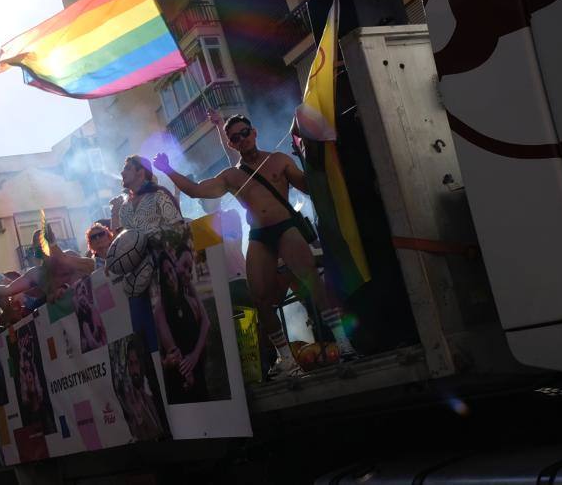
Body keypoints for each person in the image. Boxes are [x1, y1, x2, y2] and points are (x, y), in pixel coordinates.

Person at [154, 114, 356, 378]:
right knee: (259, 297)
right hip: (260, 235)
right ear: (231, 144)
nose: (242, 139)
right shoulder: (231, 176)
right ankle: (286, 359)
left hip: (286, 228)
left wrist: (313, 158)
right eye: (235, 137)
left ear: (254, 132)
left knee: (313, 283)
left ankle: (344, 343)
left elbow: (308, 186)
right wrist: (167, 169)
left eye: (245, 132)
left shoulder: (279, 160)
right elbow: (195, 190)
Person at [0, 227, 94, 306]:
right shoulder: (36, 274)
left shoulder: (68, 256)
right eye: (37, 246)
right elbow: (8, 290)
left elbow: (91, 265)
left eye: (43, 243)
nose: (40, 248)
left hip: (91, 302)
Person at [154, 250, 210, 402]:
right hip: (182, 380)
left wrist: (195, 355)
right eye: (165, 276)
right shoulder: (161, 308)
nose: (171, 278)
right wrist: (188, 374)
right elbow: (172, 348)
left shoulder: (188, 297)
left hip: (196, 370)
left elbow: (206, 322)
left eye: (171, 271)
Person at [122, 343, 165, 441]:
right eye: (130, 364)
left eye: (136, 363)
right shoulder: (128, 399)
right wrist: (139, 417)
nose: (133, 369)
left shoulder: (152, 392)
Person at [73, 277, 107, 353]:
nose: (83, 297)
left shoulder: (92, 308)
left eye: (84, 289)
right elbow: (91, 342)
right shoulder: (82, 315)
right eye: (81, 294)